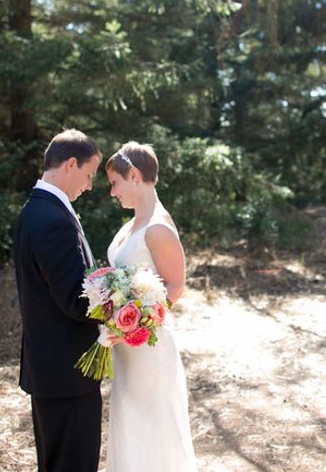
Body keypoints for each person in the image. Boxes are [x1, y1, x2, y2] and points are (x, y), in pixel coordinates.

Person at [13, 129, 104, 472]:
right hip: (68, 372)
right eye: (89, 174)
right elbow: (75, 300)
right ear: (70, 164)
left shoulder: (34, 210)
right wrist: (122, 306)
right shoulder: (53, 220)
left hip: (50, 367)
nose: (90, 185)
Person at [103, 141, 197, 471]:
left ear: (134, 175)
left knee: (152, 429)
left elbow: (175, 286)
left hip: (149, 347)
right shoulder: (132, 225)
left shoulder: (157, 226)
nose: (113, 192)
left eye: (115, 183)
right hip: (127, 349)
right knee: (130, 424)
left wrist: (137, 324)